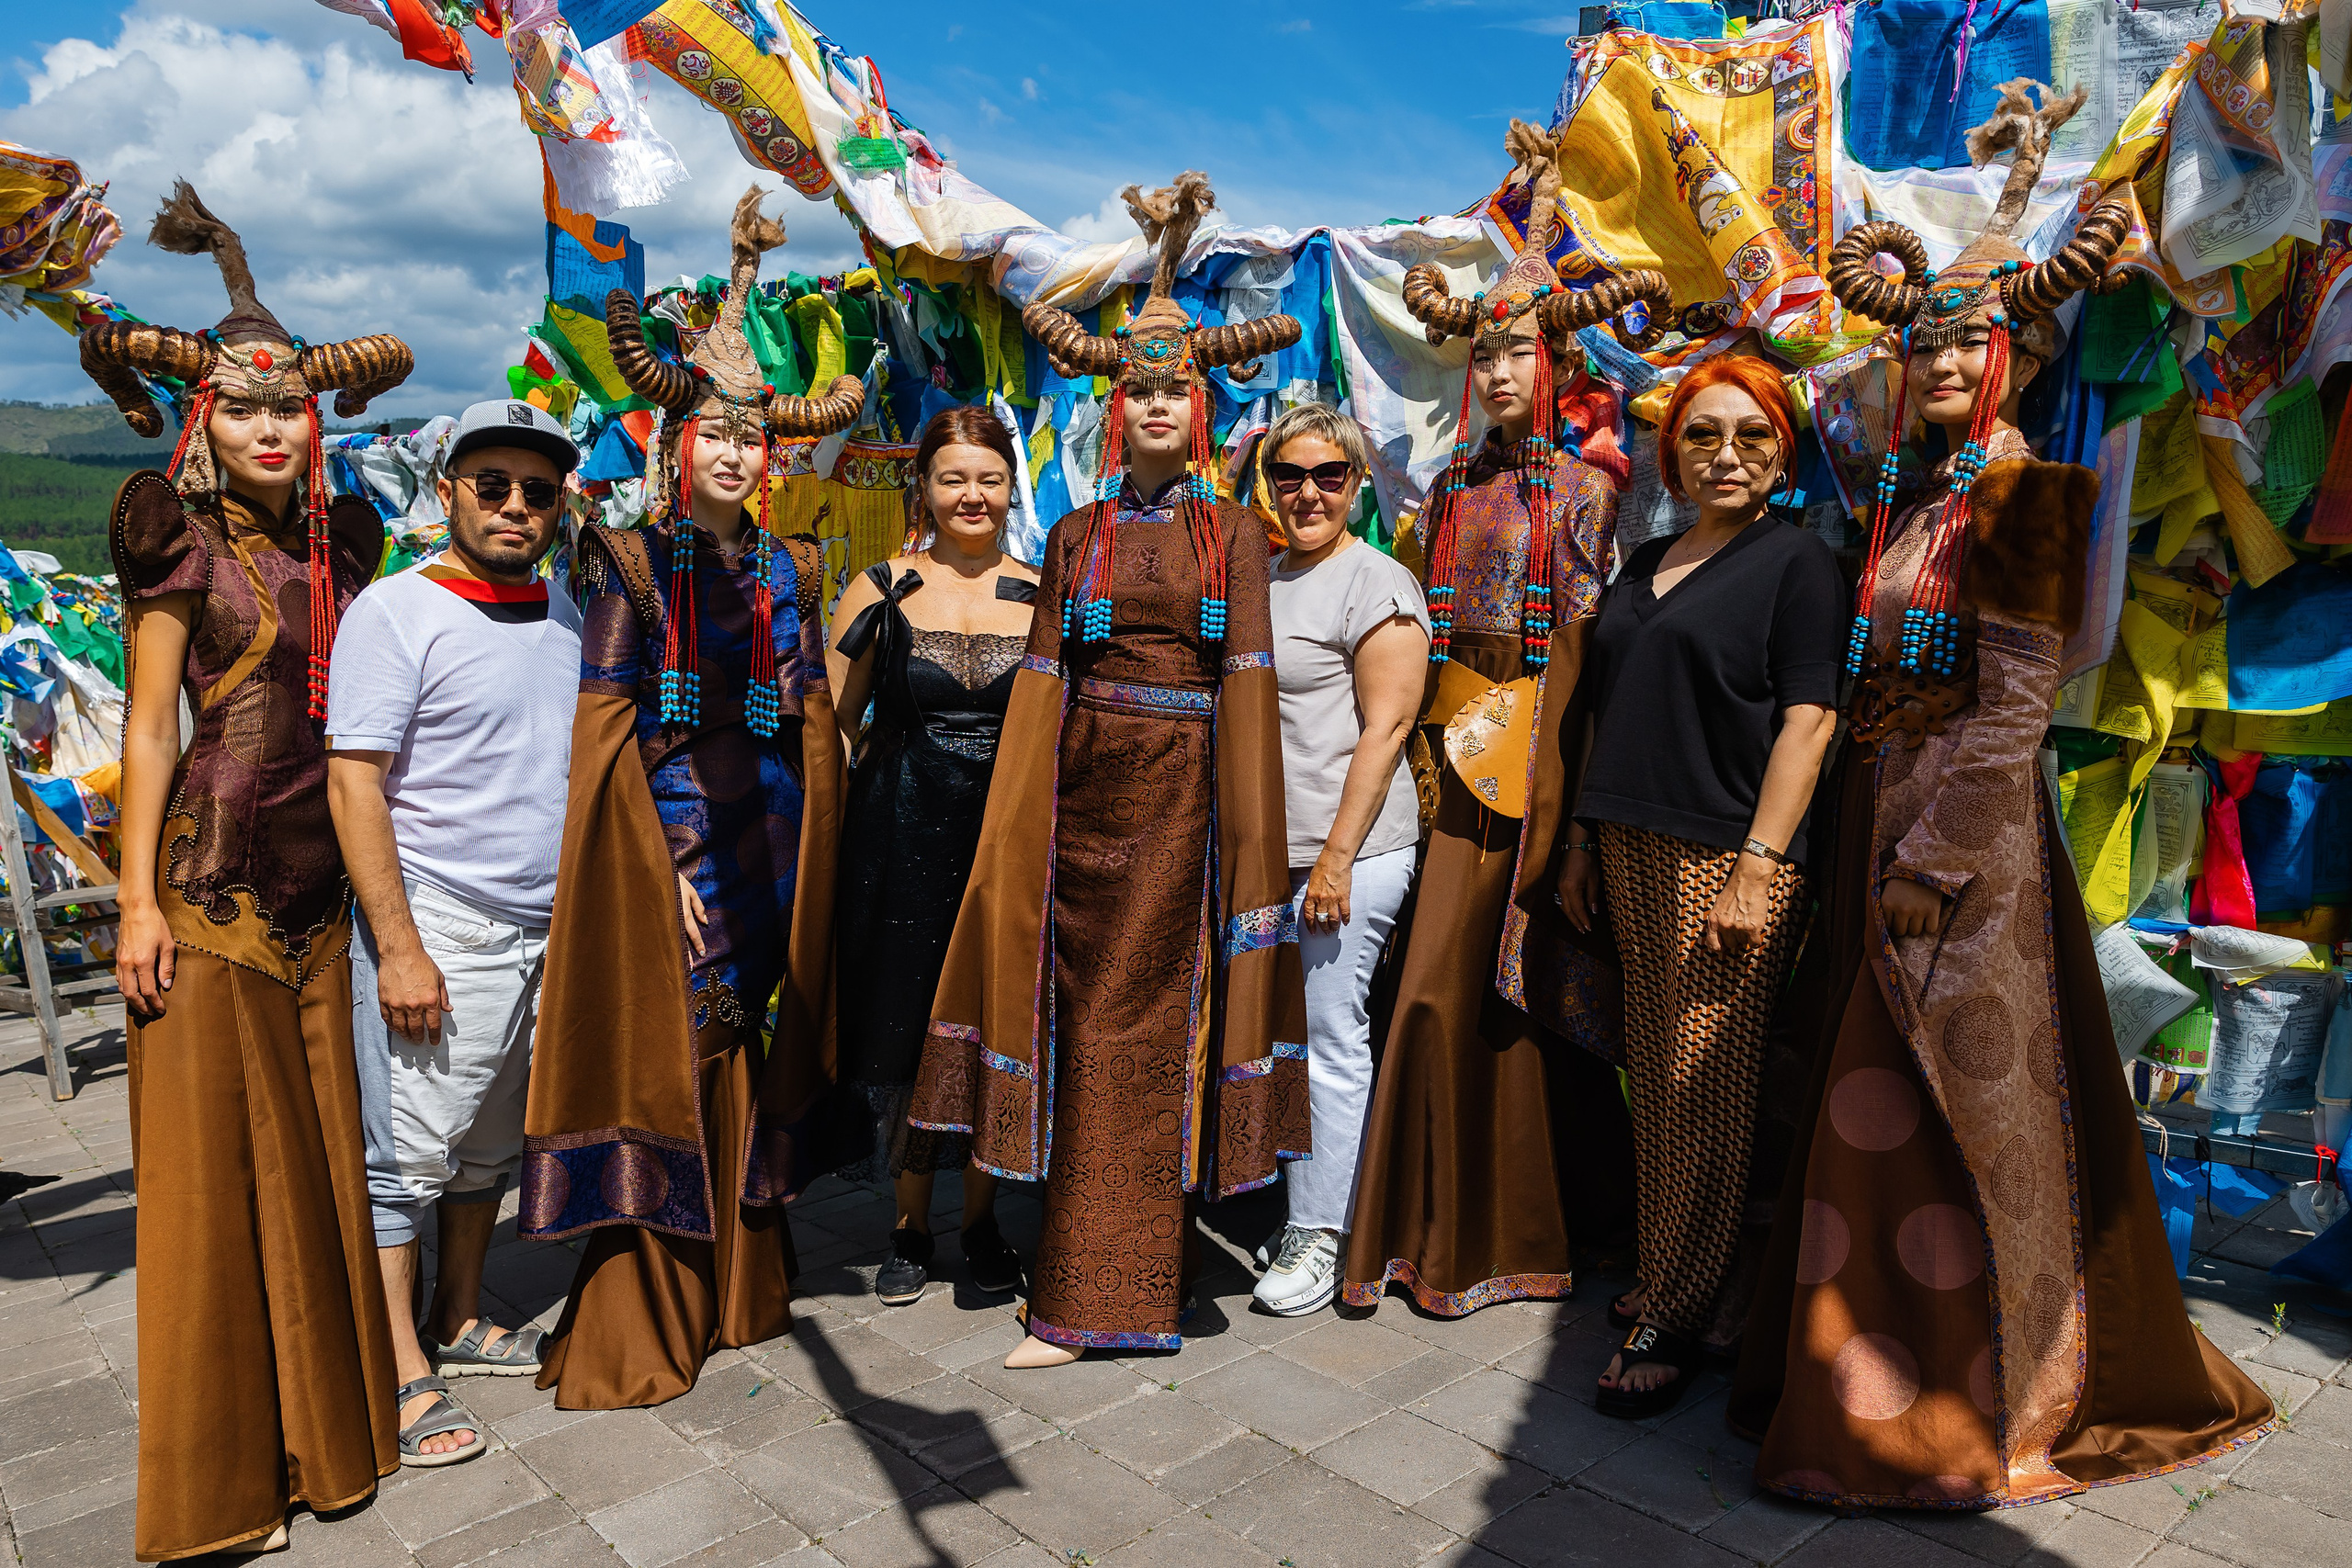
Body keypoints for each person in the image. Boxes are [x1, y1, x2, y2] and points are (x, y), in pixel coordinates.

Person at [1728, 83, 2274, 1506]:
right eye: (1922, 341)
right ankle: (1841, 1378)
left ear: (2020, 350)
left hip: (1958, 843)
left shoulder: (2034, 498)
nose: (1943, 358)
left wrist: (1942, 852)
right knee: (1855, 1085)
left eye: (1969, 337)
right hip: (1872, 806)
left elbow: (2017, 703)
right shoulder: (1910, 501)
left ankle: (1957, 1399)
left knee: (1918, 1096)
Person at [910, 172, 1308, 1366]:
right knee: (1078, 1028)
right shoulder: (1075, 535)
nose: (1152, 404)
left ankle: (1104, 1294)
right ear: (1111, 401)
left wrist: (1244, 848)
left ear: (1198, 405)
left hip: (1179, 806)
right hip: (1073, 810)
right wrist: (1013, 840)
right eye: (1135, 387)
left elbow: (1245, 691)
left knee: (1136, 1033)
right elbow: (1040, 689)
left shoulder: (1235, 532)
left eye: (1173, 388)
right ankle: (1093, 1262)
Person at [84, 182, 412, 1560]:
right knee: (216, 1177)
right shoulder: (176, 537)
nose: (270, 427)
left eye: (289, 409)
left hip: (318, 896)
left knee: (320, 1164)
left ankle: (328, 1441)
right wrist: (137, 896)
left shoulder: (344, 542)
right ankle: (222, 1481)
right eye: (243, 408)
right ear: (202, 417)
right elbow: (151, 720)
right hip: (207, 886)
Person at [516, 186, 863, 1407]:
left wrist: (829, 852)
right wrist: (650, 867)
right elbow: (605, 726)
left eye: (752, 437)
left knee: (748, 1044)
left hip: (775, 835)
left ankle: (741, 1284)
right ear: (675, 445)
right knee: (685, 1041)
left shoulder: (792, 563)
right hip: (672, 836)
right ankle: (652, 1303)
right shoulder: (623, 558)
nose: (731, 450)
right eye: (711, 434)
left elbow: (814, 710)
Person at [1340, 122, 1667, 1318]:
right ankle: (1433, 1223)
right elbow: (1422, 644)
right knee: (1435, 989)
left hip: (1553, 754)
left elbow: (1601, 654)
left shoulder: (1592, 491)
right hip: (1459, 755)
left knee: (1550, 999)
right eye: (1485, 357)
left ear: (1556, 361)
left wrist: (1570, 802)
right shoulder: (1442, 493)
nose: (1504, 374)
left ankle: (1555, 1223)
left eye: (1521, 352)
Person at [1557, 355, 1842, 1416]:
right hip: (1628, 842)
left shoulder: (1797, 563)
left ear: (1779, 452)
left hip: (1725, 852)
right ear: (1669, 450)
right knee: (1658, 1077)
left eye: (1751, 437)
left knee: (1702, 1084)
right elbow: (1610, 711)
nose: (1726, 456)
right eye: (1703, 436)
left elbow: (1809, 720)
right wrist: (1585, 839)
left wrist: (1758, 865)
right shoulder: (1648, 560)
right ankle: (1689, 1272)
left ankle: (1674, 1306)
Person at [326, 399, 584, 1467]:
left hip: (542, 930)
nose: (516, 505)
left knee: (489, 1150)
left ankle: (460, 1311)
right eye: (493, 486)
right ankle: (399, 1372)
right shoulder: (397, 610)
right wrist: (398, 946)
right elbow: (355, 783)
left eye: (537, 489)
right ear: (449, 494)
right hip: (445, 924)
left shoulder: (563, 608)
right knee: (407, 1164)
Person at [825, 404, 1037, 1305]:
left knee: (992, 1022)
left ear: (1008, 486)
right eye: (953, 477)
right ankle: (911, 1222)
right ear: (924, 486)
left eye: (987, 477)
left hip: (1004, 842)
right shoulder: (879, 587)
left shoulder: (1043, 592)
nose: (971, 495)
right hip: (900, 835)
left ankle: (980, 1219)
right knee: (909, 1028)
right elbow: (831, 727)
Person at [1249, 404, 1429, 1316]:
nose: (1308, 491)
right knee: (1281, 1036)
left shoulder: (1375, 580)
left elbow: (1386, 727)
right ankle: (1296, 1205)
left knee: (1327, 1038)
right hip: (1273, 851)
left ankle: (1322, 1236)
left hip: (1345, 853)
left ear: (1358, 485)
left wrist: (1333, 860)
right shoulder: (1269, 574)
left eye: (1329, 475)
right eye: (1291, 474)